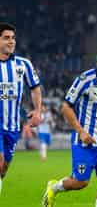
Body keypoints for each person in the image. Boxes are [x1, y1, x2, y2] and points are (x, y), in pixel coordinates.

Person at [42, 45, 97, 207]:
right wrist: (81, 132)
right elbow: (66, 107)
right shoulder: (86, 79)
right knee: (80, 182)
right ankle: (54, 187)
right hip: (86, 141)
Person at [0, 23, 42, 195]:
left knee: (3, 170)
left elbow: (35, 87)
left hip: (12, 127)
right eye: (6, 38)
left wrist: (37, 110)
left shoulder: (23, 64)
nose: (11, 42)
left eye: (13, 38)